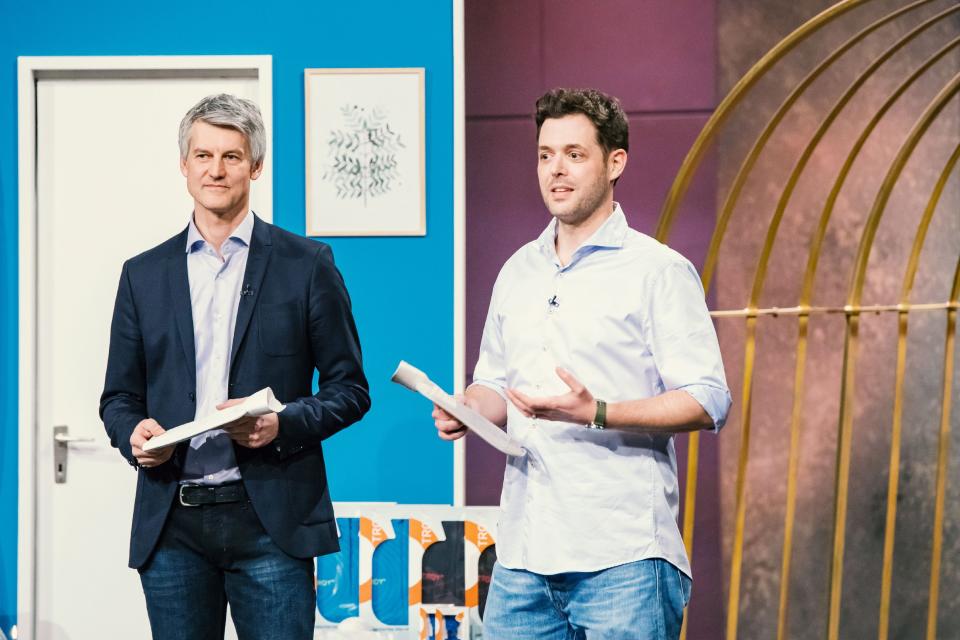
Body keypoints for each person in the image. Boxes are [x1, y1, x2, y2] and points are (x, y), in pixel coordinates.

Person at [433, 88, 731, 639]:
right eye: (545, 155)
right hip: (524, 553)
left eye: (574, 154)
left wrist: (599, 411)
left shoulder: (658, 270)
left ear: (615, 161)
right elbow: (495, 381)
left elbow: (709, 399)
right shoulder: (517, 270)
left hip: (624, 557)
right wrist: (469, 408)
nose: (556, 171)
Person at [100, 93, 370, 640]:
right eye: (203, 155)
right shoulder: (142, 275)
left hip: (272, 521)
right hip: (171, 523)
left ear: (256, 166)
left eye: (230, 156)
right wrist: (133, 430)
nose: (216, 170)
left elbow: (350, 389)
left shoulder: (308, 265)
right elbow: (118, 397)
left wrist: (282, 423)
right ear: (184, 165)